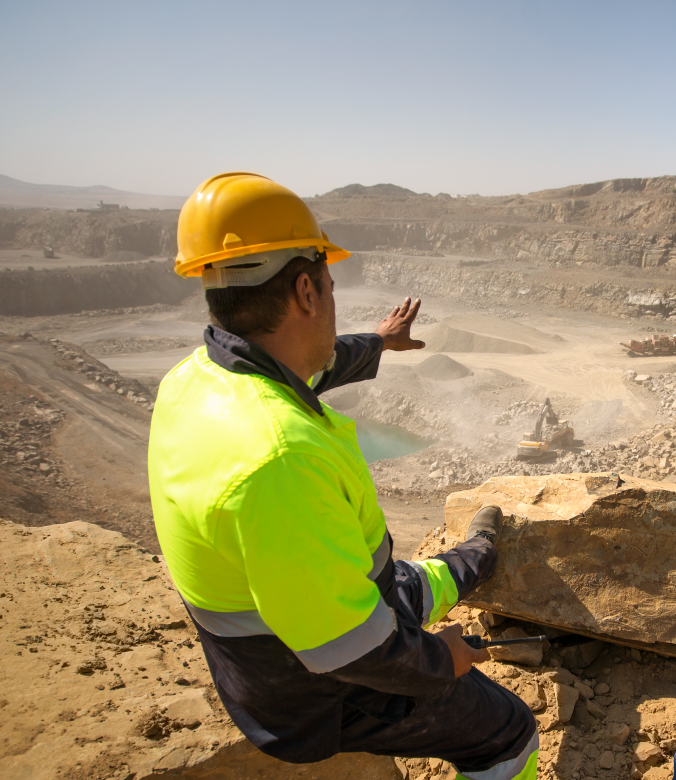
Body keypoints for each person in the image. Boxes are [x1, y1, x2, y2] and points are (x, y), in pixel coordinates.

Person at [148, 172, 538, 780]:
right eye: (329, 285)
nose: (331, 298)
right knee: (508, 733)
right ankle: (490, 708)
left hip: (294, 625)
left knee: (426, 578)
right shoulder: (279, 461)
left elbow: (310, 368)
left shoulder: (197, 378)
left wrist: (379, 343)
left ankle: (477, 556)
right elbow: (356, 650)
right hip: (317, 689)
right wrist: (444, 658)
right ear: (306, 290)